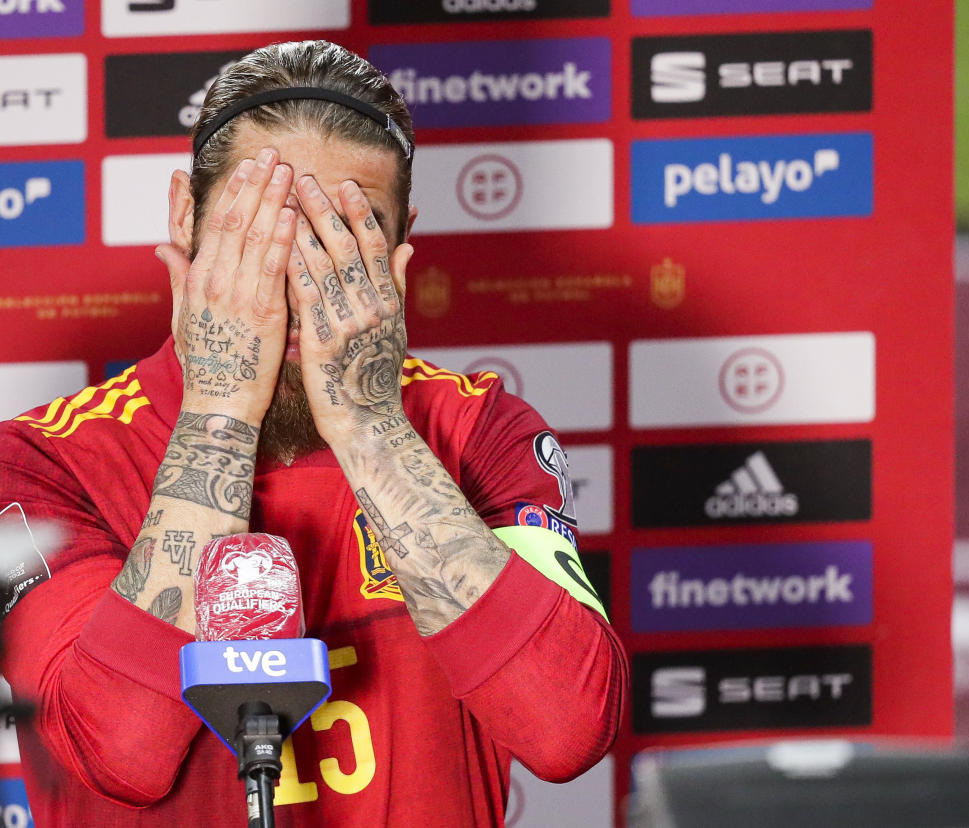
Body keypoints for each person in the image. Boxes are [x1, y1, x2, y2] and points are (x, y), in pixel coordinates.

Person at [0, 40, 627, 826]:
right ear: (185, 221)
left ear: (399, 254)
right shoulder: (43, 459)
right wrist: (221, 406)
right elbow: (121, 750)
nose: (302, 282)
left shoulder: (476, 428)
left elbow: (567, 731)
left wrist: (369, 424)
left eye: (341, 241)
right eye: (267, 232)